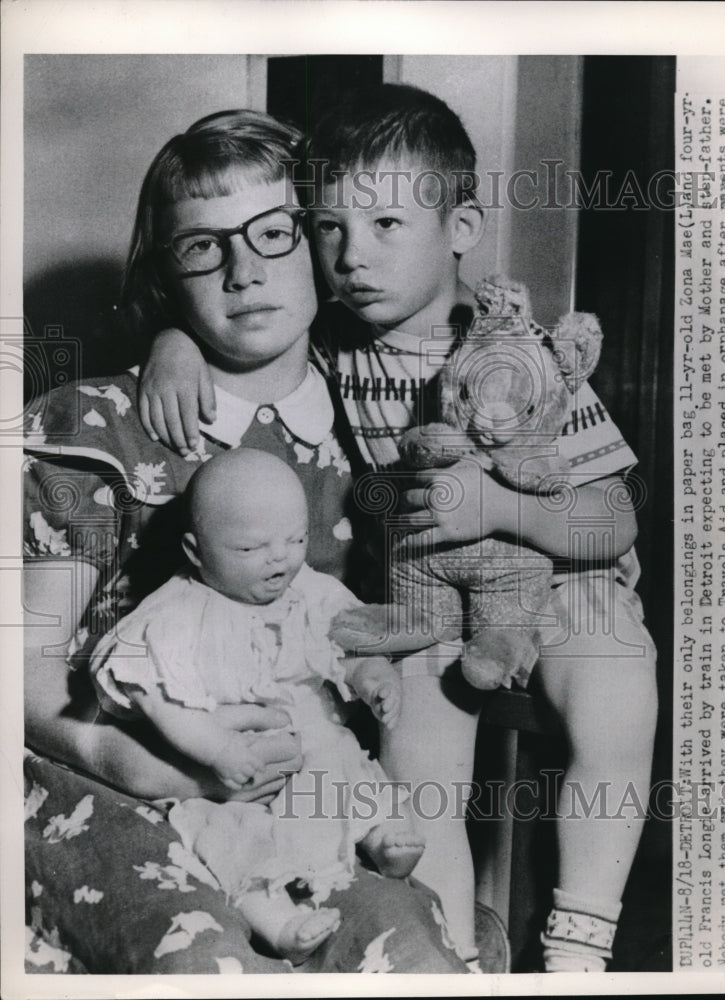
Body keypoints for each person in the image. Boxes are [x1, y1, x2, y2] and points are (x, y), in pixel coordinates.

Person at [139, 84, 658, 971]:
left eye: (385, 227)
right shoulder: (335, 339)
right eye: (329, 229)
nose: (349, 258)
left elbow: (611, 519)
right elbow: (237, 323)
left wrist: (501, 509)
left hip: (565, 571)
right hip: (430, 599)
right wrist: (172, 342)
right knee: (416, 779)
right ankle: (448, 955)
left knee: (616, 702)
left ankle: (580, 940)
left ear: (462, 229)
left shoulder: (517, 356)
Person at [22, 108, 469, 974]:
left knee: (411, 947)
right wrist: (127, 760)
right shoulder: (97, 427)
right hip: (110, 781)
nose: (242, 271)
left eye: (275, 232)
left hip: (299, 791)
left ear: (324, 241)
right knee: (206, 958)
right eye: (202, 247)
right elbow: (23, 666)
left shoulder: (373, 423)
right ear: (165, 271)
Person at [89, 448, 424, 964]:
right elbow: (153, 698)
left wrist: (372, 677)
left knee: (344, 761)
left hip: (307, 743)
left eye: (295, 540)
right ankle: (275, 921)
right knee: (224, 836)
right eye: (251, 548)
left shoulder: (310, 591)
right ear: (196, 552)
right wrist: (217, 749)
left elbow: (346, 648)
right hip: (224, 773)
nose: (280, 558)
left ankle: (377, 836)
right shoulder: (174, 614)